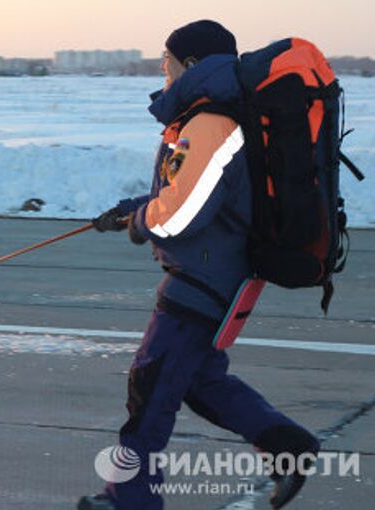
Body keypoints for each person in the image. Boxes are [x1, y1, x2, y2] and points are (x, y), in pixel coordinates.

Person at [79, 20, 319, 510]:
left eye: (166, 61)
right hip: (214, 274)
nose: (162, 71)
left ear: (191, 65)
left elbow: (185, 212)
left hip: (200, 278)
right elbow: (190, 190)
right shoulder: (210, 117)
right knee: (198, 381)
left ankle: (130, 500)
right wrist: (133, 207)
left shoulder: (210, 123)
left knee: (150, 389)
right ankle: (287, 446)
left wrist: (143, 221)